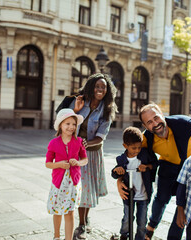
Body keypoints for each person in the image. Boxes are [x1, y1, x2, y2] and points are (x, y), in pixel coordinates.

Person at [117, 102, 191, 240]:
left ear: (162, 114)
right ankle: (151, 227)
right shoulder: (146, 138)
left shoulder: (184, 124)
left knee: (183, 206)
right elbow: (127, 158)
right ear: (145, 127)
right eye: (149, 122)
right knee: (161, 199)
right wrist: (119, 181)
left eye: (156, 118)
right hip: (167, 165)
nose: (155, 123)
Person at [69, 73, 118, 239]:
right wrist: (75, 110)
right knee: (80, 188)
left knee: (87, 190)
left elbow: (101, 135)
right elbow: (67, 118)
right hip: (75, 151)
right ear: (91, 87)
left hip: (92, 153)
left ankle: (82, 224)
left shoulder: (107, 109)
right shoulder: (81, 101)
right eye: (97, 86)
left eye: (103, 87)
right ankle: (83, 222)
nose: (100, 90)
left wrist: (85, 144)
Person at [45, 108, 88, 240]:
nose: (71, 127)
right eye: (67, 124)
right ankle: (56, 236)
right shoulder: (53, 143)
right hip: (58, 183)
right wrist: (59, 164)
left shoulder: (79, 141)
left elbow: (85, 160)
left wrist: (78, 163)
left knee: (70, 212)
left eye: (74, 124)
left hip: (73, 183)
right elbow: (48, 163)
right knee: (57, 211)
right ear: (60, 125)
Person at [111, 127, 156, 240]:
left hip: (143, 195)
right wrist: (117, 171)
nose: (137, 150)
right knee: (127, 218)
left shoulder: (145, 154)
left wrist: (146, 167)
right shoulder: (121, 159)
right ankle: (123, 235)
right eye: (133, 148)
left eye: (139, 147)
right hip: (128, 195)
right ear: (125, 146)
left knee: (142, 221)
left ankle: (139, 238)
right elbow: (115, 173)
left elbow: (155, 164)